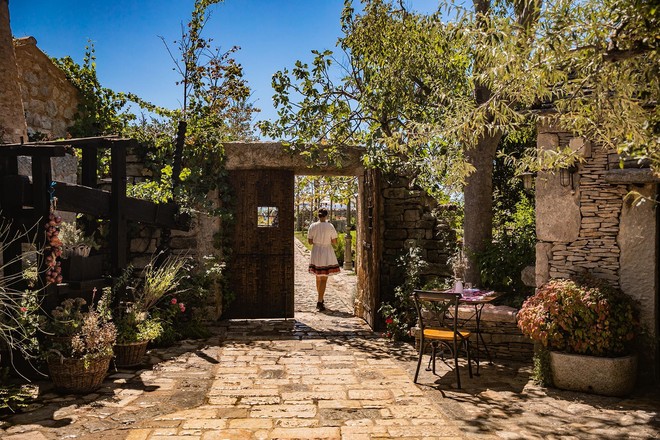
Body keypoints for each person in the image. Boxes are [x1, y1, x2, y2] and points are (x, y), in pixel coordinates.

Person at [307, 208, 340, 311]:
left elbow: (309, 241)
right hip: (326, 251)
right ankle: (320, 301)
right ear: (326, 216)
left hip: (316, 251)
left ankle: (320, 298)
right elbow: (334, 242)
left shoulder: (313, 226)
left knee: (318, 276)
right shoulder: (330, 226)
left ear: (318, 215)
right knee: (324, 278)